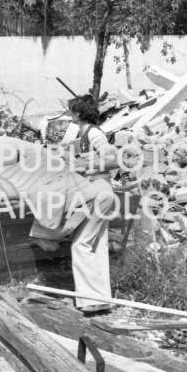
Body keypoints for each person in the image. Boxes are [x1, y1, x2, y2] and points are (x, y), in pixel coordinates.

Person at [64, 94, 120, 310]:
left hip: (98, 192)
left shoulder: (95, 134)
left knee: (81, 244)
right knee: (96, 244)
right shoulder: (83, 135)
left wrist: (83, 167)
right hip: (98, 192)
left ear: (78, 114)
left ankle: (90, 301)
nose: (70, 116)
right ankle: (101, 300)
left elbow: (113, 159)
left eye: (71, 112)